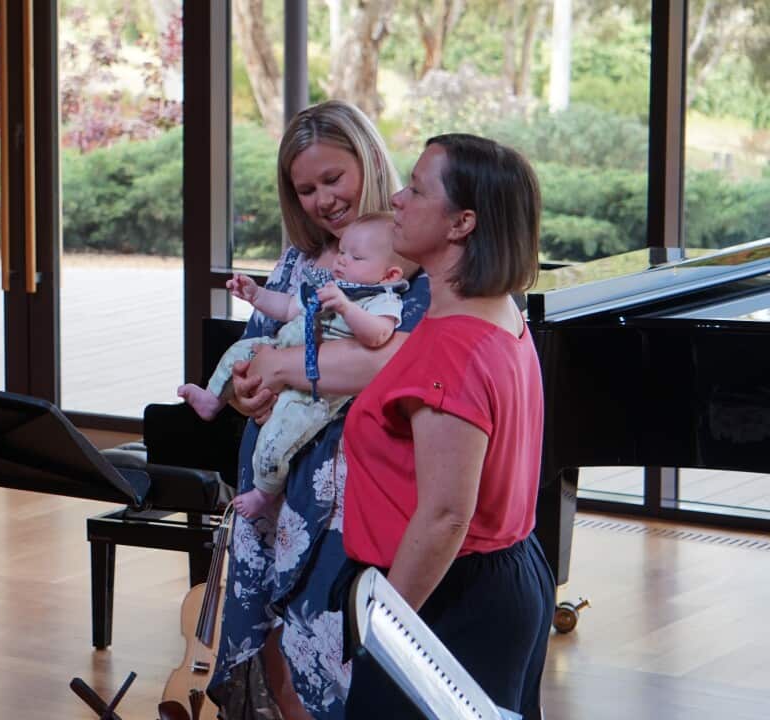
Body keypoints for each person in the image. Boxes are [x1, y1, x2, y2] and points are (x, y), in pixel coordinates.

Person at [206, 101, 430, 720]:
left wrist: (281, 371)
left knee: (328, 667)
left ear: (369, 161)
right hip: (274, 488)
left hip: (349, 500)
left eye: (334, 179)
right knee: (276, 658)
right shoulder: (300, 260)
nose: (322, 200)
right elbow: (257, 347)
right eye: (305, 189)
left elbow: (391, 364)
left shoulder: (410, 263)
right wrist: (243, 392)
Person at [338, 134, 555, 719]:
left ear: (462, 223)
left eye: (415, 188)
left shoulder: (452, 352)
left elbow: (445, 516)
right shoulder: (498, 310)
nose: (397, 199)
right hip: (509, 575)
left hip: (450, 594)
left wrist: (382, 630)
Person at [178, 213, 414, 520]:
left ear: (389, 275)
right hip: (280, 348)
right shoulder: (332, 284)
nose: (342, 261)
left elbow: (378, 335)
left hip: (314, 391)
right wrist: (257, 295)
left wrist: (345, 305)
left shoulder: (380, 299)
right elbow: (290, 307)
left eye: (355, 257)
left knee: (279, 435)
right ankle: (212, 399)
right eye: (342, 252)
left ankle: (265, 491)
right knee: (240, 350)